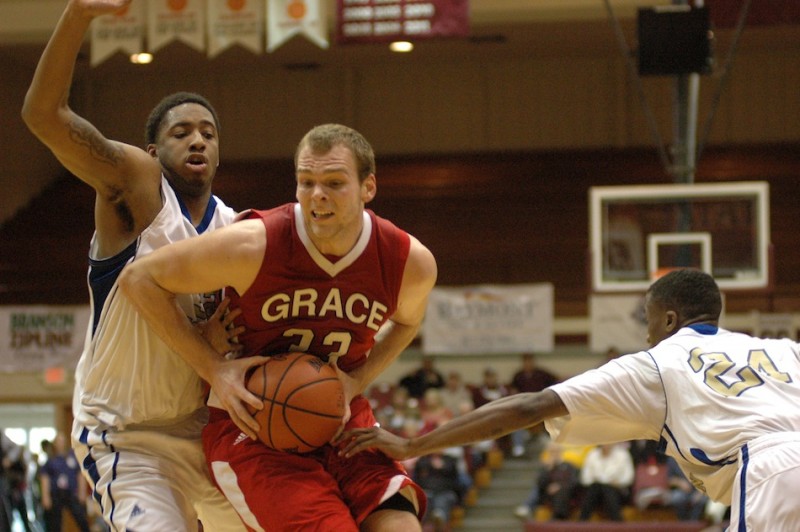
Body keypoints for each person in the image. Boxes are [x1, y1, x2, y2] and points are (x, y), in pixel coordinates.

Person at [119, 123, 438, 531]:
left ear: (368, 187)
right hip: (255, 429)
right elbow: (138, 280)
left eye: (335, 183)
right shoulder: (256, 243)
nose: (317, 196)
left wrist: (357, 381)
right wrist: (213, 367)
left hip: (342, 422)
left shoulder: (407, 261)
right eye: (306, 182)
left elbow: (408, 323)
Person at [21, 1, 255, 530]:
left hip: (209, 432)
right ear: (154, 148)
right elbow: (42, 116)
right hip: (128, 434)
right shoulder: (137, 185)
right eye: (182, 132)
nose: (198, 139)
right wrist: (79, 15)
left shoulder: (237, 230)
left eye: (208, 132)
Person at [339, 268, 800, 531]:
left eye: (649, 319)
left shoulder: (659, 362)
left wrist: (413, 446)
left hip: (770, 475)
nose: (645, 331)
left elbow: (526, 407)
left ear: (669, 319)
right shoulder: (782, 350)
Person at [508, 353, 559, 457]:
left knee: (553, 417)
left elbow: (556, 382)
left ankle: (552, 444)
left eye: (530, 361)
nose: (528, 364)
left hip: (541, 406)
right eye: (526, 361)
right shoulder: (518, 376)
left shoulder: (541, 374)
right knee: (514, 420)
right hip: (523, 407)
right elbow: (513, 391)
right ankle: (518, 447)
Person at [514, 441, 579, 521]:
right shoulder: (545, 468)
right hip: (547, 493)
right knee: (539, 490)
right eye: (551, 452)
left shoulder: (569, 466)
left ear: (560, 451)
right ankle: (528, 508)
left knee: (562, 492)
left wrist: (559, 486)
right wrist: (548, 469)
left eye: (555, 451)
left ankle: (558, 516)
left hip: (565, 492)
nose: (554, 454)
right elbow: (540, 483)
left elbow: (574, 481)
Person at [39, 433, 90, 532]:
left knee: (81, 518)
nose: (60, 444)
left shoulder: (73, 456)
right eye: (58, 441)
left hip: (71, 493)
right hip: (56, 494)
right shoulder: (50, 459)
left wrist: (82, 492)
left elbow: (80, 474)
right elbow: (45, 477)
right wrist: (45, 496)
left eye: (62, 441)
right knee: (55, 522)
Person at [577, 444, 634, 521]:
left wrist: (618, 482)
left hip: (617, 490)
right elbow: (585, 478)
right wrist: (597, 481)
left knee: (607, 489)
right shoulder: (592, 454)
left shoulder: (623, 455)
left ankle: (582, 520)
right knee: (597, 487)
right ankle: (582, 522)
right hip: (596, 490)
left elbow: (628, 477)